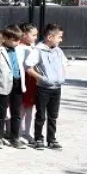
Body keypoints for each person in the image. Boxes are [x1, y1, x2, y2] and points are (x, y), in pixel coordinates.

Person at [29, 23, 66, 151]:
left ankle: (51, 140)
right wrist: (42, 78)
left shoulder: (58, 51)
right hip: (43, 89)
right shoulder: (38, 50)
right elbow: (29, 68)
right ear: (50, 37)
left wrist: (62, 77)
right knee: (41, 115)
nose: (61, 40)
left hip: (57, 88)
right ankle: (38, 139)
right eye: (59, 37)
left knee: (53, 115)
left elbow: (63, 64)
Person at [0, 25, 26, 149]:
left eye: (19, 40)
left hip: (18, 83)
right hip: (3, 84)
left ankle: (15, 138)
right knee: (1, 113)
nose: (17, 42)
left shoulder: (20, 50)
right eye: (14, 40)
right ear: (5, 38)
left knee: (16, 113)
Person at [16, 22, 39, 144]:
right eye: (33, 35)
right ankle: (18, 132)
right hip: (23, 80)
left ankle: (28, 132)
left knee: (30, 107)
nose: (36, 38)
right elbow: (20, 66)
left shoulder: (32, 48)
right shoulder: (19, 49)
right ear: (24, 35)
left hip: (32, 80)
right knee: (21, 108)